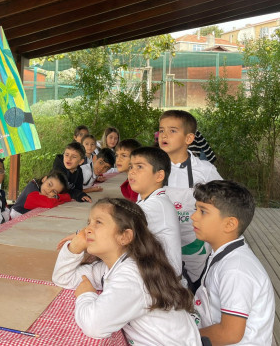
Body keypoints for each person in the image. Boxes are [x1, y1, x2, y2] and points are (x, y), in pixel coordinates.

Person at [53, 198, 201, 345]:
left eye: (98, 222)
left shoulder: (133, 276)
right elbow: (64, 278)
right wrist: (74, 248)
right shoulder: (113, 265)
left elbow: (94, 326)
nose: (87, 230)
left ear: (124, 237)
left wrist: (86, 295)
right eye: (88, 222)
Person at [192, 181, 275, 345]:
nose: (193, 216)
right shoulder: (225, 255)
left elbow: (230, 333)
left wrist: (184, 338)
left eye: (203, 211)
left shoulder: (236, 269)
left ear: (229, 224)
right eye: (196, 209)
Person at [158, 110, 222, 288]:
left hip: (196, 244)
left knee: (196, 288)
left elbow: (222, 203)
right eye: (161, 130)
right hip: (162, 243)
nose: (164, 135)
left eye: (172, 131)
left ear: (189, 139)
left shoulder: (205, 170)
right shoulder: (151, 168)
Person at [128, 146, 182, 276]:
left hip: (165, 286)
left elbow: (117, 228)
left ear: (159, 176)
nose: (131, 172)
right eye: (130, 167)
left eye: (139, 167)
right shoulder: (146, 200)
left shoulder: (156, 205)